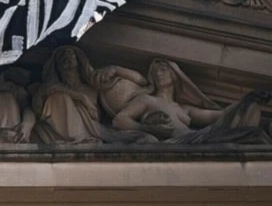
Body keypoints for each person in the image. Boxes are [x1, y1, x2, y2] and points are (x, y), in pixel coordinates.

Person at [112, 59, 271, 144]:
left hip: (197, 138)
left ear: (175, 76)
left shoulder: (184, 109)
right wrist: (146, 128)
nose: (160, 74)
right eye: (156, 72)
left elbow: (219, 116)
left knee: (252, 131)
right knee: (253, 135)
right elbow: (119, 120)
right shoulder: (146, 99)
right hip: (182, 142)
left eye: (164, 70)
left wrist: (248, 100)